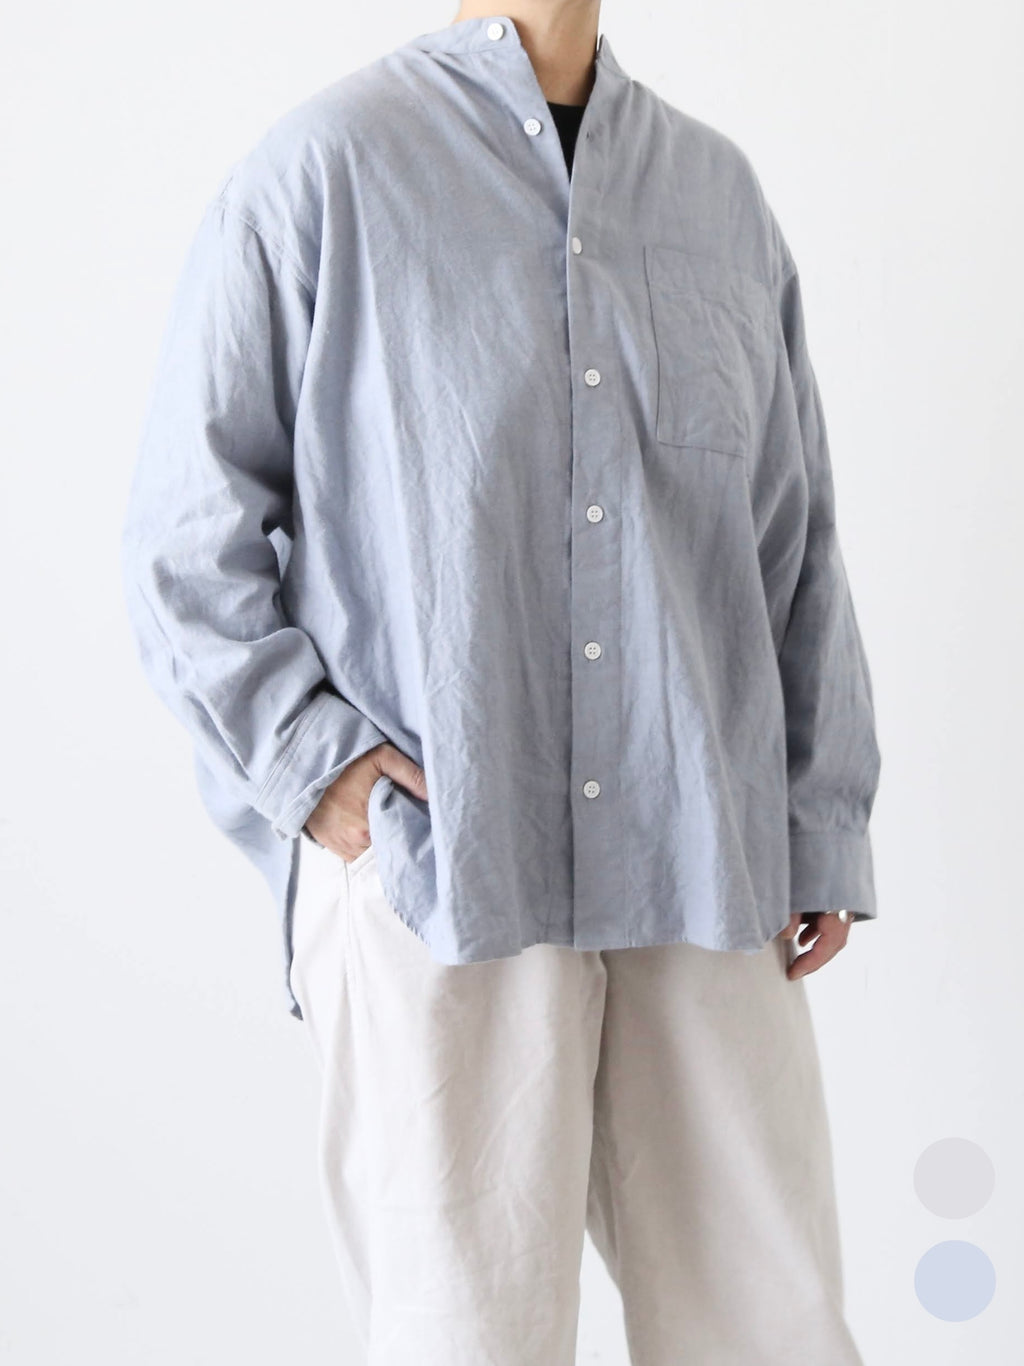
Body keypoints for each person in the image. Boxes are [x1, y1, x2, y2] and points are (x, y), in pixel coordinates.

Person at [120, 2, 882, 1361]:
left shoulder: (718, 197)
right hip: (440, 869)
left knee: (772, 1328)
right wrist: (319, 769)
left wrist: (816, 817)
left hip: (704, 865)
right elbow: (187, 538)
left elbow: (793, 539)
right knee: (461, 1337)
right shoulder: (327, 169)